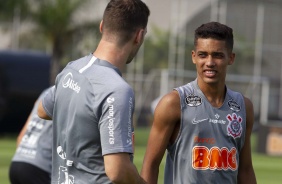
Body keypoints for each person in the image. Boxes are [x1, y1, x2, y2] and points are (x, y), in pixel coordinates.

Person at [37, 0, 150, 183]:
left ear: (101, 26)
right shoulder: (117, 90)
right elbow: (117, 171)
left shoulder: (71, 70)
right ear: (139, 35)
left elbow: (42, 110)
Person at [141, 22, 257, 184]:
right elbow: (150, 165)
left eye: (217, 55)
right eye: (203, 55)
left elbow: (245, 170)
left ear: (231, 58)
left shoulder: (244, 107)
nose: (209, 62)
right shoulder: (173, 103)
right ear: (194, 56)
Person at [9, 87, 52, 184]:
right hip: (40, 168)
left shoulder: (46, 93)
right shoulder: (71, 94)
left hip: (17, 162)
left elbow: (21, 136)